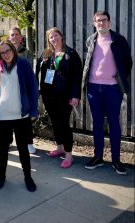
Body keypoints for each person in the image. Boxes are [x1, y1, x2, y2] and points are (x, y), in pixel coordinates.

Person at [83, 11, 133, 175]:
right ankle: (98, 157)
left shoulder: (119, 40)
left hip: (112, 88)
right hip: (93, 88)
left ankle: (116, 160)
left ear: (109, 22)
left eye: (104, 20)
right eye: (98, 21)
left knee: (114, 123)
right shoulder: (91, 40)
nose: (101, 23)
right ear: (94, 23)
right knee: (96, 123)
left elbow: (127, 62)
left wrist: (118, 78)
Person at [0, 41, 38, 192]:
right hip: (3, 115)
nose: (6, 54)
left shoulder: (22, 64)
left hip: (21, 114)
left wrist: (34, 110)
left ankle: (28, 177)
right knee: (3, 149)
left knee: (23, 149)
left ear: (13, 50)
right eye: (2, 52)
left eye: (8, 50)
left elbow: (33, 88)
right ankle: (1, 175)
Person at [35, 27, 82, 168]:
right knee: (55, 122)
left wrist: (75, 96)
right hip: (49, 96)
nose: (53, 39)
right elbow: (38, 72)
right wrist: (42, 62)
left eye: (56, 36)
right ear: (48, 40)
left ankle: (68, 155)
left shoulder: (71, 54)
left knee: (63, 124)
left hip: (65, 96)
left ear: (61, 37)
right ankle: (59, 148)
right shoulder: (46, 54)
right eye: (51, 37)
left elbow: (77, 77)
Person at [8, 27, 36, 154]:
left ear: (21, 37)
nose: (14, 37)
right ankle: (9, 141)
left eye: (16, 34)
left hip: (23, 88)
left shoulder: (26, 52)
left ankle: (29, 142)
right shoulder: (5, 51)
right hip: (9, 89)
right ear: (9, 37)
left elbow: (28, 69)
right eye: (12, 35)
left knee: (25, 117)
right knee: (8, 117)